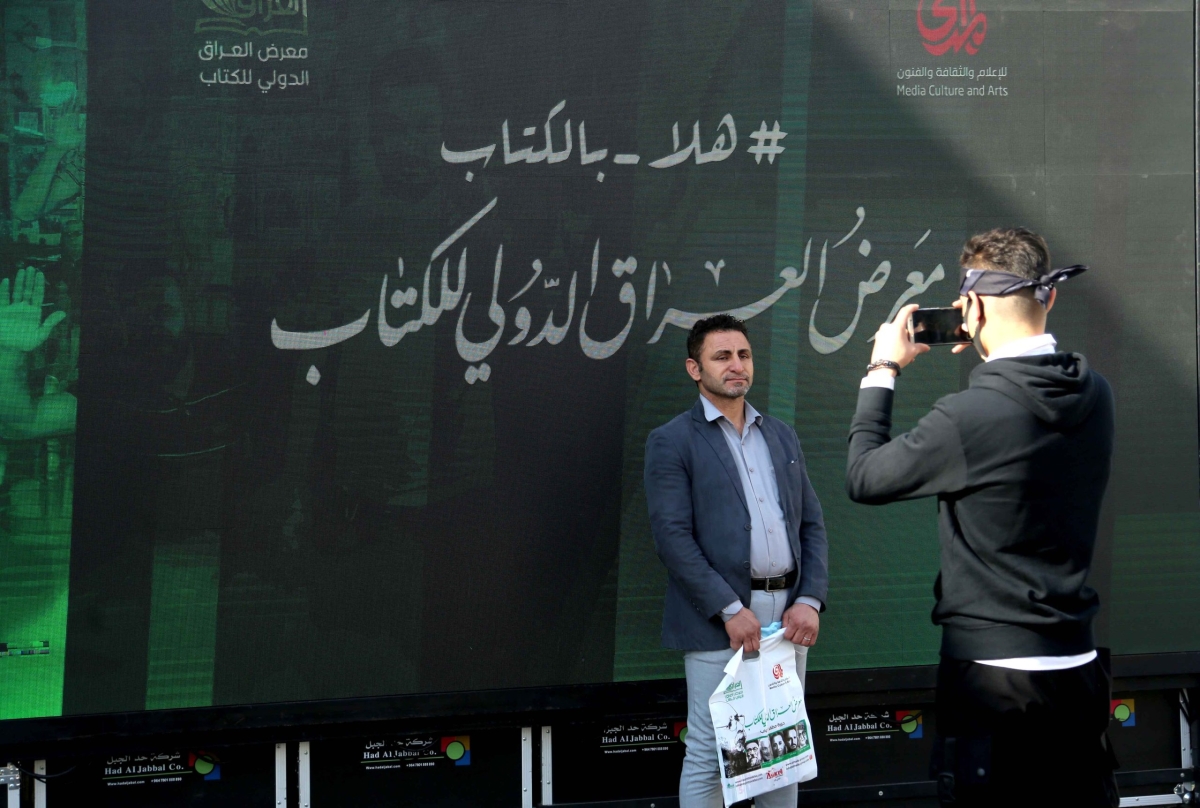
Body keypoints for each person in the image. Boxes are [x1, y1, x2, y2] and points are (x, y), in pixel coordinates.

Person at [845, 227, 1119, 807]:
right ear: (1050, 296)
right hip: (1078, 669)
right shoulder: (1097, 394)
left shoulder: (968, 416)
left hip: (993, 681)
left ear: (970, 307)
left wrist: (883, 366)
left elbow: (864, 477)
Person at [644, 313, 829, 807]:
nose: (736, 365)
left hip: (788, 619)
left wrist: (809, 600)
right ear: (695, 369)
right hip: (718, 621)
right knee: (710, 754)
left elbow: (811, 525)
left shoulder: (782, 435)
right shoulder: (672, 440)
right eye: (722, 356)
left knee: (783, 746)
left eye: (743, 355)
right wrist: (729, 609)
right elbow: (672, 538)